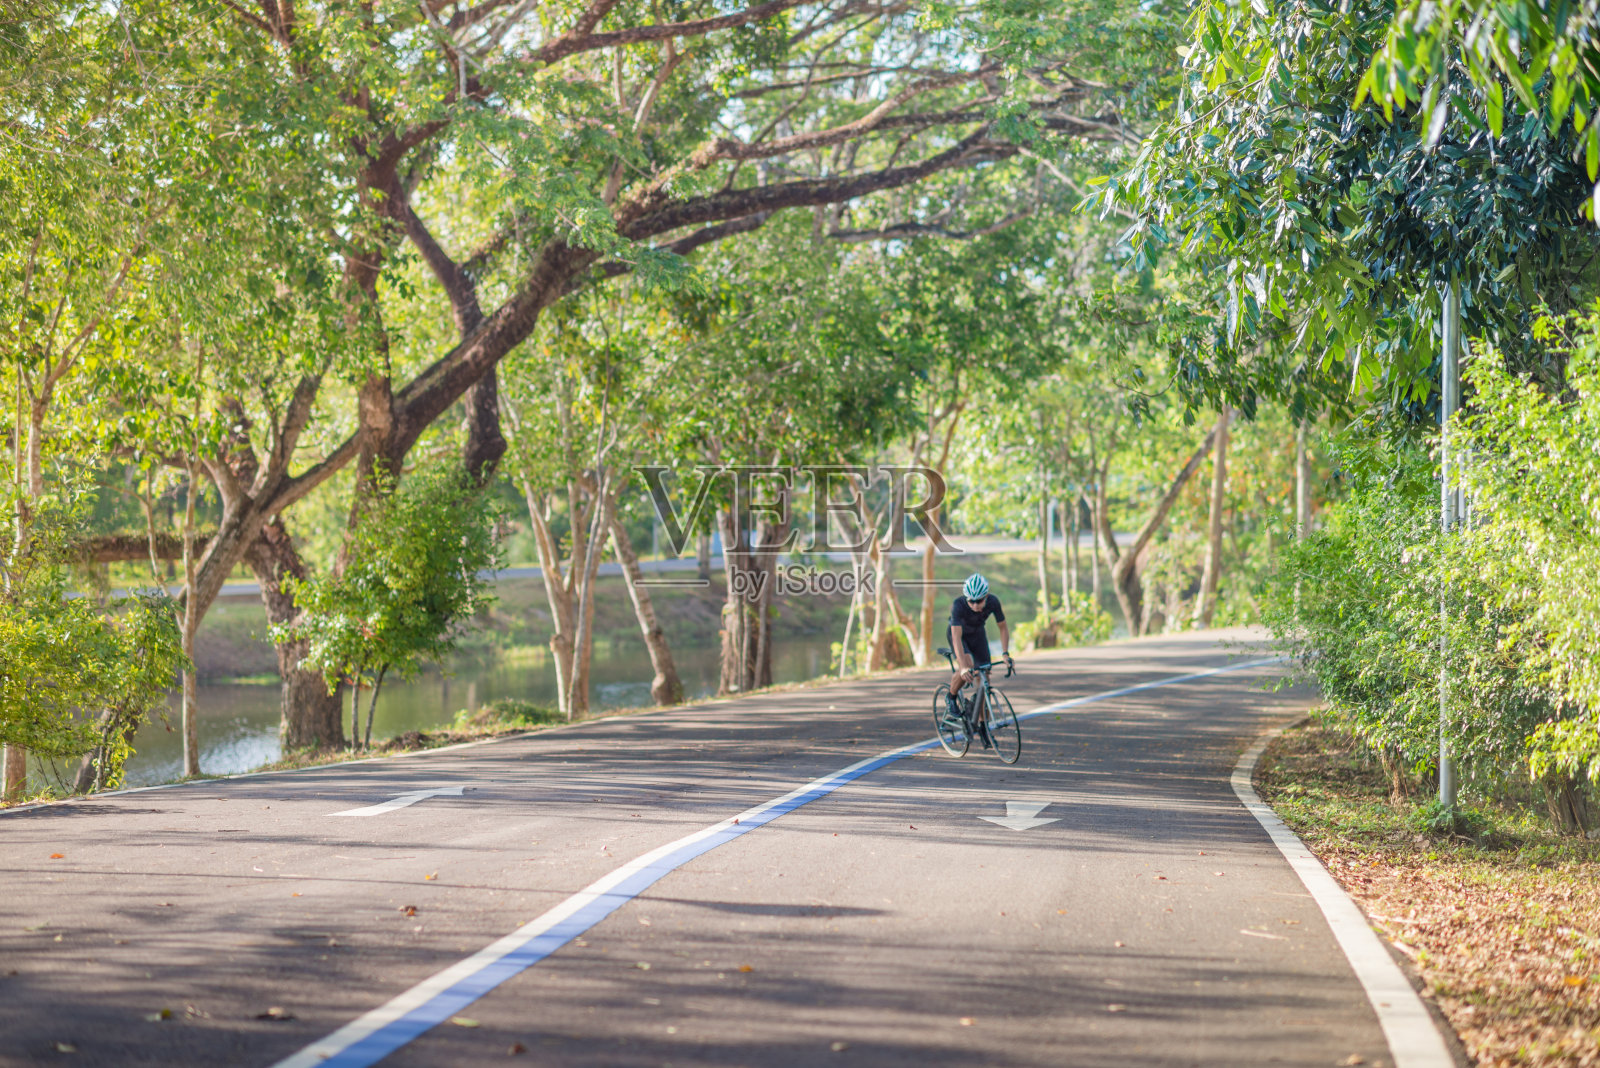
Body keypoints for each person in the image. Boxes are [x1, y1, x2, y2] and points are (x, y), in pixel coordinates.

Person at [945, 573, 1012, 734]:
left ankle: (982, 724)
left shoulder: (993, 602)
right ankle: (951, 697)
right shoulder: (958, 605)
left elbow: (1003, 627)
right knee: (966, 667)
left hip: (978, 635)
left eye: (979, 601)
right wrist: (962, 667)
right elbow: (956, 638)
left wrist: (1005, 653)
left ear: (986, 596)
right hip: (959, 636)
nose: (975, 605)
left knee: (984, 679)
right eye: (971, 601)